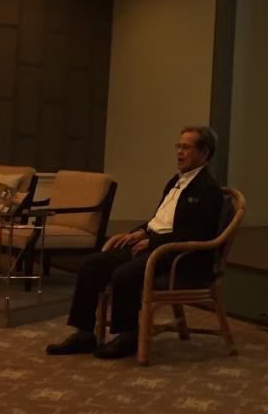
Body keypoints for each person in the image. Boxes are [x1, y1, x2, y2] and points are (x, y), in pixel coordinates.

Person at [46, 125, 224, 359]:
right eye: (178, 146)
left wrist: (153, 242)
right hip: (153, 243)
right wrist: (141, 231)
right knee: (91, 265)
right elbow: (160, 220)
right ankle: (84, 335)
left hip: (175, 256)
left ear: (204, 152)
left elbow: (197, 233)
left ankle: (128, 336)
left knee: (124, 274)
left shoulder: (209, 190)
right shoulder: (175, 181)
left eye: (186, 147)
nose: (179, 152)